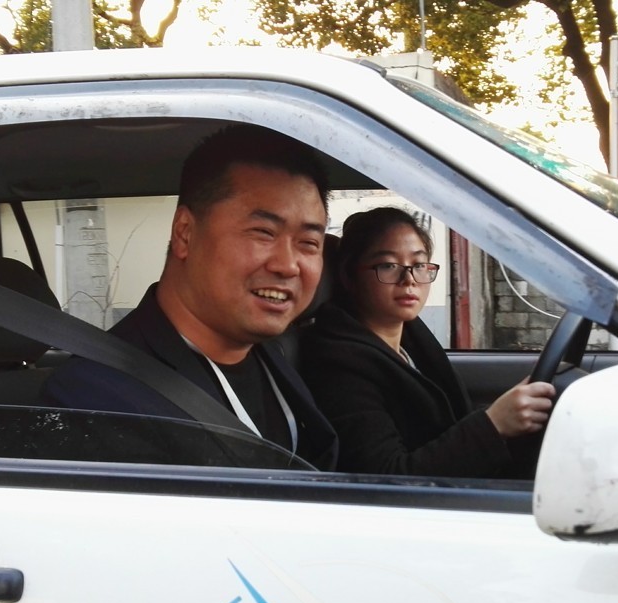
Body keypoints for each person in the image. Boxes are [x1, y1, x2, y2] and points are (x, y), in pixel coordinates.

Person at [42, 124, 337, 469]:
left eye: (308, 243)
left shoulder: (274, 355)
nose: (287, 265)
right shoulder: (93, 400)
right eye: (263, 232)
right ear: (185, 233)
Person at [299, 207, 555, 478]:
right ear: (349, 276)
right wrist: (493, 425)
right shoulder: (339, 365)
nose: (409, 280)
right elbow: (386, 478)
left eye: (419, 265)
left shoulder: (412, 342)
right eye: (388, 266)